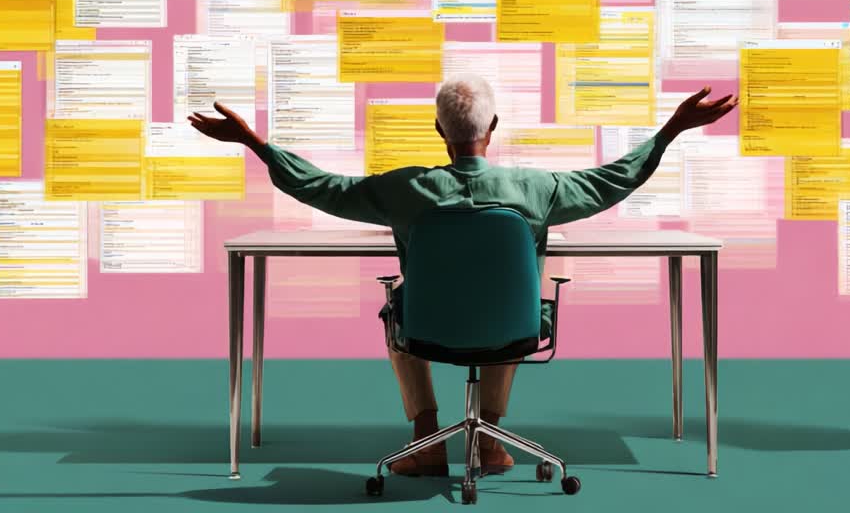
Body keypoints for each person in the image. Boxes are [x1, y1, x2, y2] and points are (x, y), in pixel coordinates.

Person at [189, 74, 737, 477]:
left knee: (395, 307)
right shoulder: (537, 189)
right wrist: (670, 131)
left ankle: (427, 437)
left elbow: (322, 188)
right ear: (492, 129)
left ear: (438, 130)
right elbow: (614, 179)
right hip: (511, 329)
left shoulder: (405, 190)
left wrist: (255, 144)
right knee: (516, 302)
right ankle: (489, 441)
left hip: (427, 328)